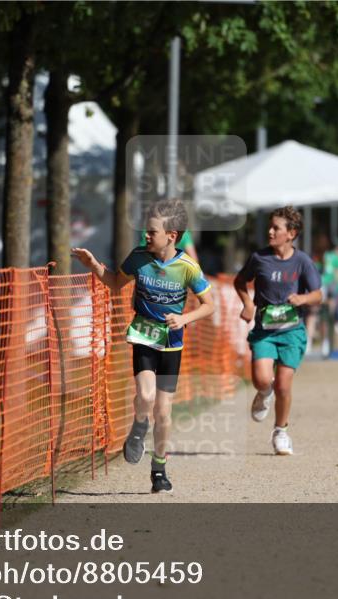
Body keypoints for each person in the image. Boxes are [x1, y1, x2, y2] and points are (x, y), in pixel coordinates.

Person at [71, 199, 215, 493]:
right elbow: (115, 283)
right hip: (144, 336)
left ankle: (159, 468)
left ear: (171, 236)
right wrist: (93, 266)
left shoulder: (188, 267)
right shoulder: (138, 258)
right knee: (146, 397)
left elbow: (209, 305)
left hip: (171, 344)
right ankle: (139, 425)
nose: (146, 235)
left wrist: (184, 318)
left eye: (152, 232)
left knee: (163, 411)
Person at [234, 206, 323, 455]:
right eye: (270, 227)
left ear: (291, 233)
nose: (270, 232)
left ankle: (280, 431)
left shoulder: (302, 261)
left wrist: (303, 299)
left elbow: (318, 294)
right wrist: (248, 304)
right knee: (262, 379)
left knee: (284, 385)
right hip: (265, 331)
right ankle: (264, 392)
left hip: (292, 331)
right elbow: (240, 281)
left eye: (276, 228)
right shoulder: (259, 258)